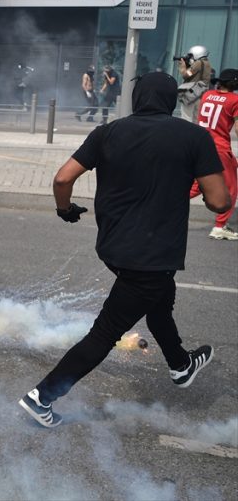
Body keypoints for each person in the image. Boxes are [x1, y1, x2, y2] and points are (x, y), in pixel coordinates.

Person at [18, 72, 230, 428]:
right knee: (105, 333)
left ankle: (180, 365)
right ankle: (42, 397)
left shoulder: (107, 132)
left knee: (160, 302)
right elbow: (218, 200)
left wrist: (65, 210)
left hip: (114, 247)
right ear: (170, 100)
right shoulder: (194, 137)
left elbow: (62, 178)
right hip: (152, 255)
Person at [188, 68, 238, 240]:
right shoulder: (235, 100)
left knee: (198, 184)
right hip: (220, 149)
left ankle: (161, 202)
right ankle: (219, 227)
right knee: (230, 188)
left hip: (201, 145)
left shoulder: (207, 95)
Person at [176, 45, 212, 122]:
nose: (190, 57)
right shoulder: (207, 63)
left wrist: (182, 67)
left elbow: (186, 75)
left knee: (186, 117)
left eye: (191, 55)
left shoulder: (198, 63)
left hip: (191, 94)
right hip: (200, 94)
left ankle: (186, 133)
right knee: (196, 118)